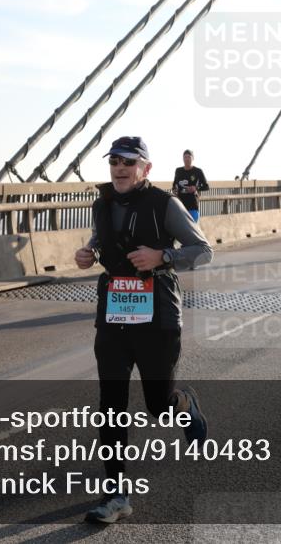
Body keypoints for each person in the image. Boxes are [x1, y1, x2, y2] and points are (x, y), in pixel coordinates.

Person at [74, 136, 212, 524]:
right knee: (110, 404)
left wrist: (162, 256)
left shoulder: (165, 204)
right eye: (114, 161)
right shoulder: (102, 203)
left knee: (157, 405)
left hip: (158, 315)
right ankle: (117, 494)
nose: (120, 168)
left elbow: (203, 250)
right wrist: (88, 254)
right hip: (114, 312)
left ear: (145, 168)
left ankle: (183, 405)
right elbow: (100, 242)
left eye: (128, 162)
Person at [172, 149, 209, 222]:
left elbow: (206, 186)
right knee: (180, 229)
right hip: (180, 207)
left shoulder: (198, 171)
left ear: (193, 158)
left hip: (192, 207)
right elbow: (174, 186)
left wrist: (195, 188)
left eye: (189, 157)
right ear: (183, 159)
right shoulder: (178, 171)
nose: (187, 159)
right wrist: (174, 190)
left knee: (192, 228)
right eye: (185, 157)